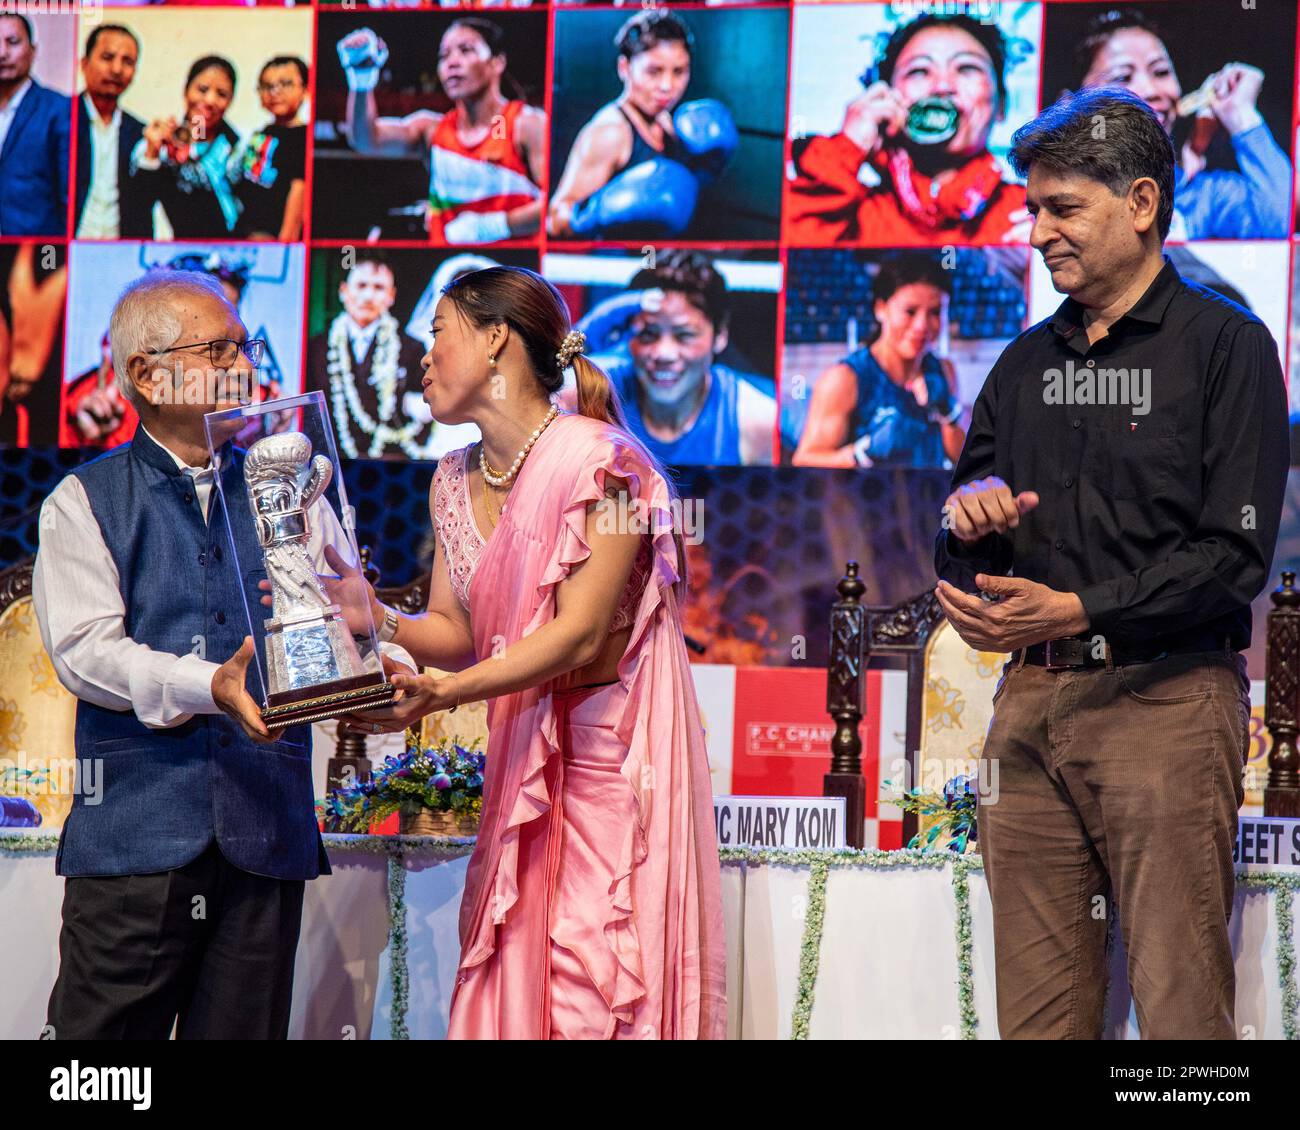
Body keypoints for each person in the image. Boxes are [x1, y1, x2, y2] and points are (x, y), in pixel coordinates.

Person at [933, 88, 1288, 1039]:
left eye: (1062, 208)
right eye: (1033, 209)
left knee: (1179, 1013)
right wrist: (967, 534)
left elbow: (1232, 560)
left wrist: (1076, 610)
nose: (1038, 231)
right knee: (1037, 1022)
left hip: (1167, 704)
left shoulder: (1229, 349)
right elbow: (964, 544)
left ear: (1140, 202)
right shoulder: (1018, 365)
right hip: (1027, 712)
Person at [341, 265, 727, 1039]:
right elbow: (455, 632)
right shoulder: (451, 478)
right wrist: (377, 618)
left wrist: (449, 695)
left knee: (592, 995)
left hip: (605, 776)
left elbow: (578, 633)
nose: (421, 358)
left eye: (437, 335)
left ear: (495, 341)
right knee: (516, 993)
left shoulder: (606, 464)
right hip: (522, 767)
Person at [33, 271, 412, 1039]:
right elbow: (85, 653)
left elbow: (340, 620)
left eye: (247, 348)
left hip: (264, 842)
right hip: (134, 843)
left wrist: (376, 668)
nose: (247, 368)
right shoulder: (84, 499)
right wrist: (211, 685)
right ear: (145, 373)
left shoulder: (293, 487)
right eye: (220, 350)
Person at [786, 12, 1027, 247]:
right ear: (885, 97)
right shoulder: (846, 215)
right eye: (919, 71)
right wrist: (848, 147)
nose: (942, 86)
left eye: (966, 68)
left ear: (1001, 104)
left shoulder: (1032, 214)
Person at [1072, 7, 1291, 240]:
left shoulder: (1205, 198)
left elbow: (1279, 221)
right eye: (1123, 77)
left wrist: (1240, 114)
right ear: (1070, 104)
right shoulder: (1053, 200)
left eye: (1161, 72)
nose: (1151, 91)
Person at [340, 18, 545, 244]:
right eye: (444, 55)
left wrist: (497, 225)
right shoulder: (431, 129)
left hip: (514, 270)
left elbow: (557, 204)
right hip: (453, 270)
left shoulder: (526, 125)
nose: (452, 62)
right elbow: (365, 140)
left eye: (465, 50)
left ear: (497, 62)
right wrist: (361, 79)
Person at [573, 249, 775, 465]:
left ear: (720, 336)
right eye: (648, 334)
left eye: (684, 335)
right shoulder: (595, 395)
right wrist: (583, 340)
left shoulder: (756, 422)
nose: (664, 354)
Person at [548, 9, 737, 240]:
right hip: (615, 267)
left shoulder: (667, 120)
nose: (667, 86)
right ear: (624, 68)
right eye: (654, 71)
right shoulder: (610, 133)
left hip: (661, 257)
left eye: (679, 71)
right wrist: (597, 213)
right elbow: (555, 220)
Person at [793, 252, 964, 468]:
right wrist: (860, 454)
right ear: (880, 309)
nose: (922, 325)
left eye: (935, 312)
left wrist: (948, 411)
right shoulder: (845, 379)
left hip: (930, 498)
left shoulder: (944, 370)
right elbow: (804, 461)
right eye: (910, 312)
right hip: (866, 500)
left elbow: (963, 459)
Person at [307, 254, 433, 459]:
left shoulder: (412, 348)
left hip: (393, 464)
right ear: (343, 291)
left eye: (378, 288)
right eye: (361, 285)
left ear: (391, 296)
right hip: (329, 461)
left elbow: (425, 414)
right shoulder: (317, 347)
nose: (368, 296)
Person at [130, 55, 245, 239]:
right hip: (177, 254)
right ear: (186, 90)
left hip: (228, 253)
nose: (209, 100)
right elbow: (138, 210)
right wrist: (152, 152)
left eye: (221, 94)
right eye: (202, 89)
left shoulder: (238, 149)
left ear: (230, 100)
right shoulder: (159, 143)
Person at [75, 24, 151, 240]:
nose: (117, 69)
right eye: (107, 57)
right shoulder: (60, 118)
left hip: (118, 252)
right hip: (67, 249)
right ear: (84, 64)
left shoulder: (139, 131)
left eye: (127, 62)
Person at [0, 15, 70, 237]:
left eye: (13, 42)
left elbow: (67, 195)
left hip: (35, 246)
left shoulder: (58, 109)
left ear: (33, 50)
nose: (2, 53)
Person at [236, 55, 308, 241]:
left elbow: (298, 190)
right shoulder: (263, 132)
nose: (275, 91)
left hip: (272, 235)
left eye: (286, 84)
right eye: (267, 86)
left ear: (306, 90)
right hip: (246, 228)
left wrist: (285, 240)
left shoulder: (303, 136)